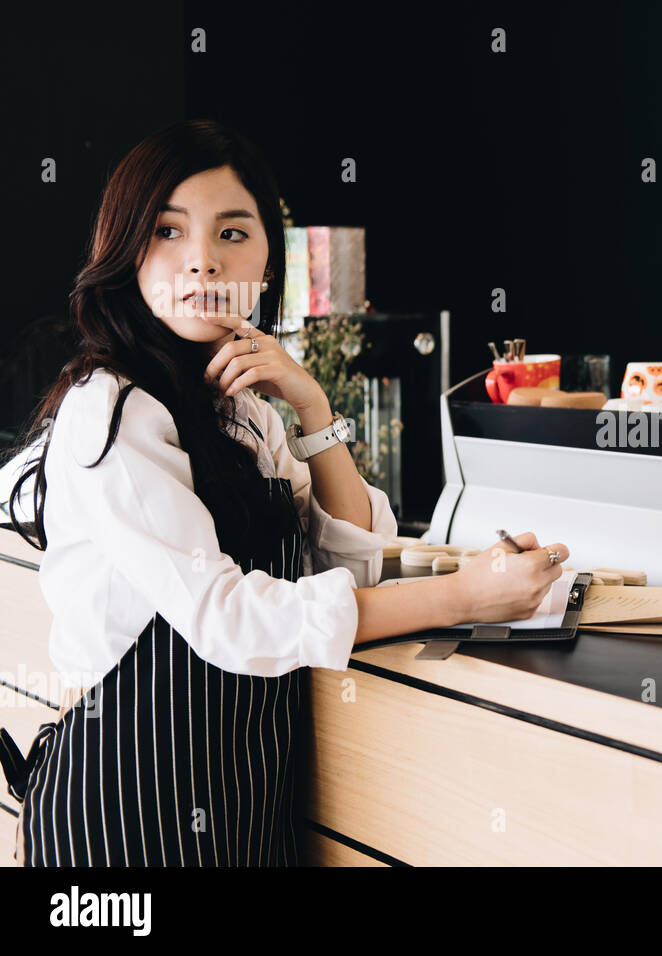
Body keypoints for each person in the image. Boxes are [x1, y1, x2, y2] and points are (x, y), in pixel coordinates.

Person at [0, 119, 568, 866]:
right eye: (168, 232)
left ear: (269, 260)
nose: (202, 260)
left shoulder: (246, 410)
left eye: (233, 233)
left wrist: (313, 408)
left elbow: (351, 569)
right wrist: (466, 596)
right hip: (121, 818)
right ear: (126, 251)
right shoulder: (114, 410)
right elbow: (228, 619)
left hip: (241, 807)